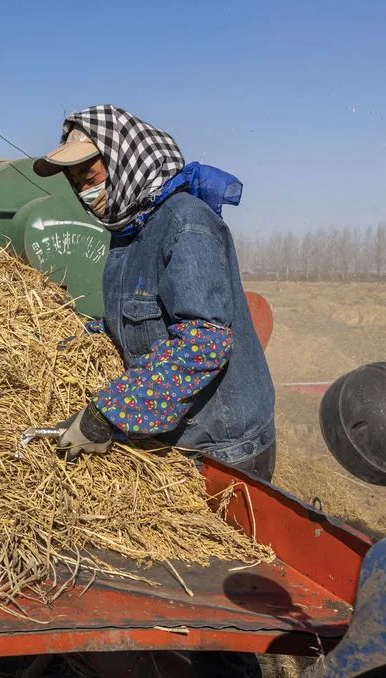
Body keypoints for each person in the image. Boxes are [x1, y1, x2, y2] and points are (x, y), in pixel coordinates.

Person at [33, 105, 277, 480]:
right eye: (74, 181)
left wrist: (108, 412)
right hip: (179, 439)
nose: (84, 189)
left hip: (222, 449)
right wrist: (81, 338)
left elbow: (205, 340)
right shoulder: (128, 235)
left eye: (89, 174)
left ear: (123, 160)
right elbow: (139, 318)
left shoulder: (185, 224)